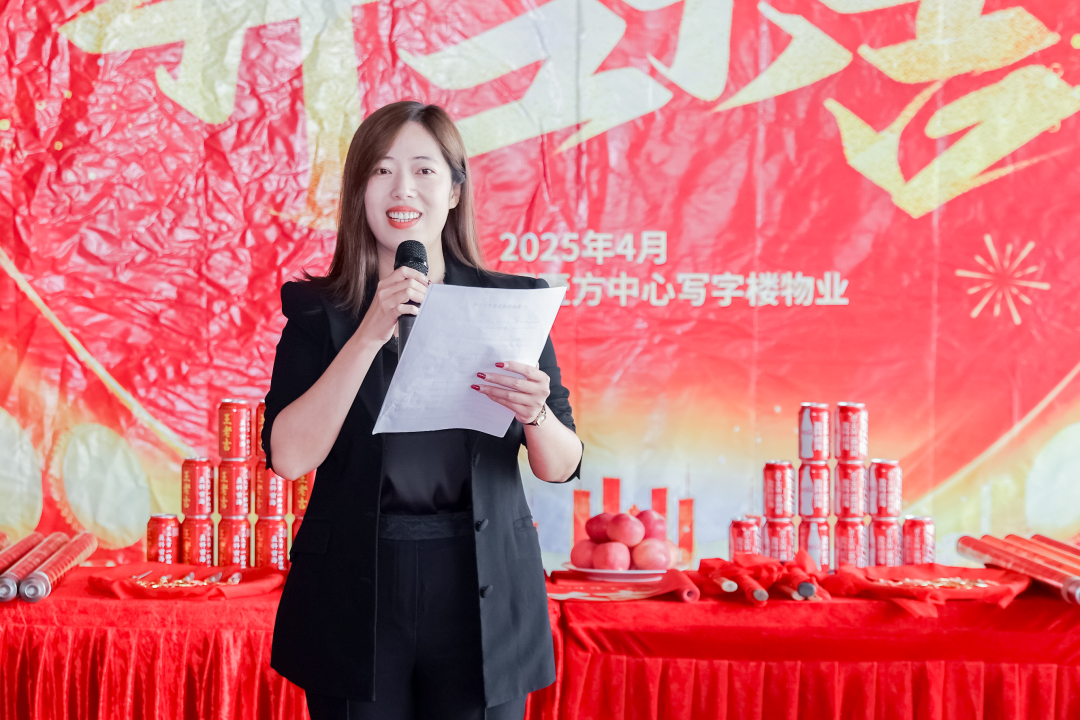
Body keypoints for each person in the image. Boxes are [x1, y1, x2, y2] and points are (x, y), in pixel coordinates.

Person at [262, 101, 583, 720]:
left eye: (424, 170)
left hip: (483, 583)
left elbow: (562, 464)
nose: (402, 189)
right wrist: (369, 332)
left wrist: (536, 414)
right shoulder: (317, 313)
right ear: (358, 193)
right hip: (355, 588)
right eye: (381, 171)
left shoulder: (509, 305)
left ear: (455, 191)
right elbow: (289, 458)